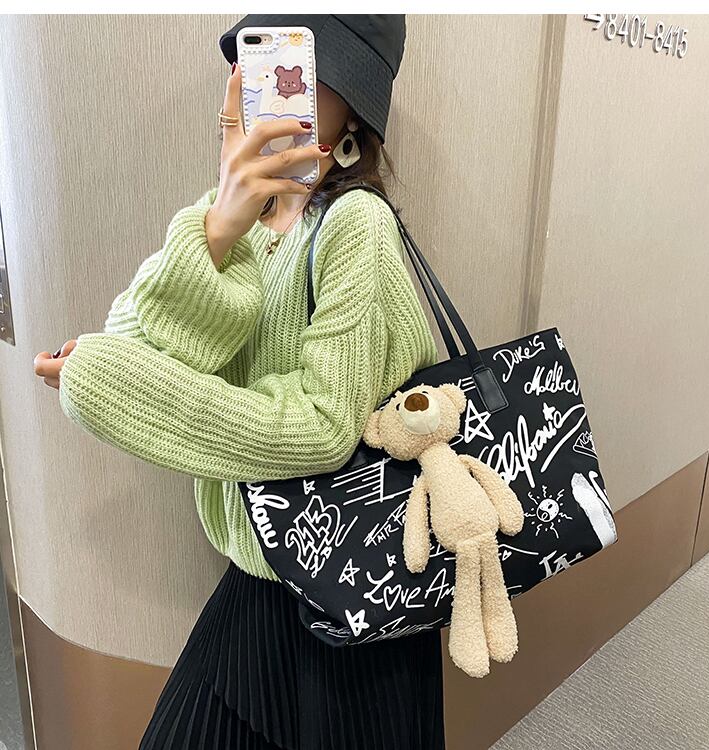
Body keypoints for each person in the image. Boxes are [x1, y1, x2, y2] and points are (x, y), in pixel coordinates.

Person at [33, 13, 445, 750]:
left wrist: (106, 382)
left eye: (306, 66)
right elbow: (129, 342)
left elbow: (322, 429)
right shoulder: (239, 222)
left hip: (356, 592)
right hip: (259, 583)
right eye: (264, 60)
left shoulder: (356, 224)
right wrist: (220, 224)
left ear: (355, 110)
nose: (275, 82)